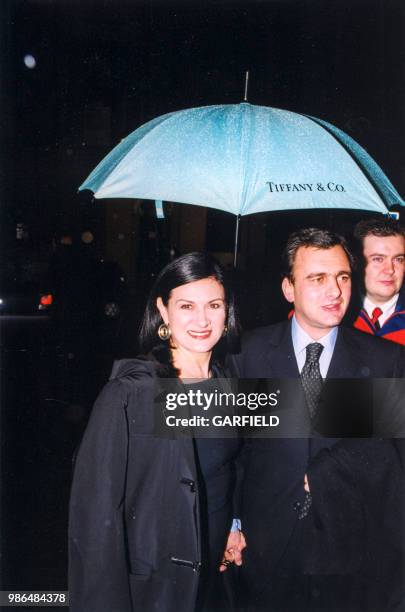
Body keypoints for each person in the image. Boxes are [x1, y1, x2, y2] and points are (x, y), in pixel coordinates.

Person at [228, 228, 405, 612]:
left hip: (349, 557)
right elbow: (232, 451)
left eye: (343, 277)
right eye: (317, 278)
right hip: (263, 550)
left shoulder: (383, 361)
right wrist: (231, 521)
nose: (335, 291)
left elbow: (390, 458)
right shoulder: (248, 355)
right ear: (288, 288)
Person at [69, 252, 246, 612]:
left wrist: (233, 524)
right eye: (186, 306)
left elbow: (228, 470)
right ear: (163, 311)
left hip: (216, 578)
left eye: (214, 304)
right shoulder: (130, 395)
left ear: (227, 312)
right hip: (157, 590)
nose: (201, 319)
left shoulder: (228, 382)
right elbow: (95, 520)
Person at [352, 217, 405, 344]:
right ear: (356, 263)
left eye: (398, 259)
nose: (390, 270)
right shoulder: (335, 316)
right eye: (378, 259)